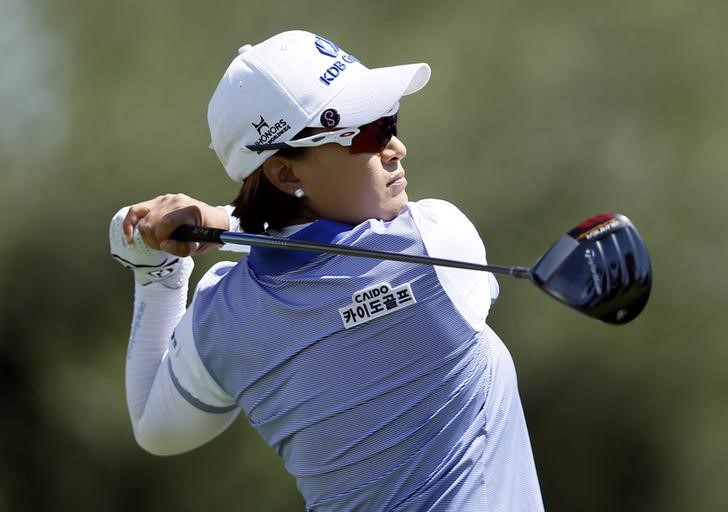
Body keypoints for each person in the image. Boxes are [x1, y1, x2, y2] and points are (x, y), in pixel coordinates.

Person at [109, 30, 544, 511]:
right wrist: (218, 220)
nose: (396, 146)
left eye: (389, 121)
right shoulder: (435, 245)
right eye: (369, 132)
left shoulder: (219, 318)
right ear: (286, 174)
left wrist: (157, 270)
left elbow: (158, 430)